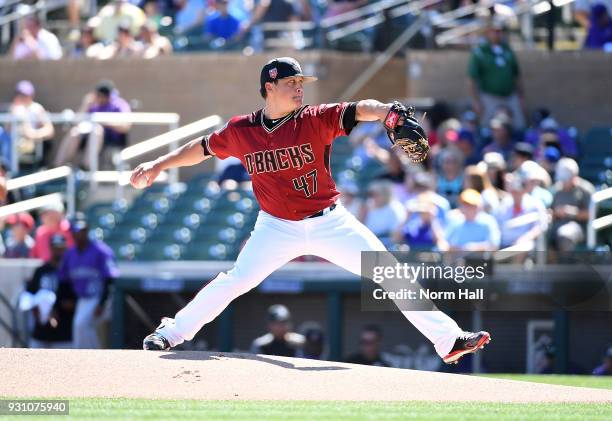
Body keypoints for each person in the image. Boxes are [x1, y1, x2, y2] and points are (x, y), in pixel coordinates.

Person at [133, 57, 491, 364]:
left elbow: (356, 109)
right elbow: (203, 147)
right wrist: (159, 165)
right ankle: (172, 332)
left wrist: (386, 112)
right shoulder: (242, 130)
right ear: (269, 86)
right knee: (236, 280)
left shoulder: (314, 118)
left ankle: (449, 341)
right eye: (292, 82)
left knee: (391, 274)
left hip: (330, 222)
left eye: (301, 82)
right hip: (275, 226)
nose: (299, 88)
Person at [59, 214, 118, 349]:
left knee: (81, 325)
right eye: (74, 231)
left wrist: (102, 303)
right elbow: (63, 280)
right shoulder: (70, 254)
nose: (77, 234)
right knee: (80, 327)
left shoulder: (101, 251)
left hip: (101, 297)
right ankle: (91, 359)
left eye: (80, 230)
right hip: (83, 300)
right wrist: (67, 299)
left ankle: (88, 358)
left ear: (86, 231)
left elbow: (110, 279)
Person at [54, 80, 131, 170]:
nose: (99, 97)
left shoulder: (119, 104)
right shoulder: (93, 103)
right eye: (97, 95)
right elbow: (76, 122)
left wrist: (104, 122)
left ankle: (85, 167)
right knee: (74, 132)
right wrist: (85, 104)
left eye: (101, 96)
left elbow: (126, 126)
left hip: (110, 139)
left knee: (96, 130)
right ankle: (57, 166)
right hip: (87, 137)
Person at [468, 19, 525, 130]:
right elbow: (472, 78)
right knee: (487, 127)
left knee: (519, 125)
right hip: (489, 96)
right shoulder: (480, 52)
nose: (498, 34)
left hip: (510, 95)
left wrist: (521, 97)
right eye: (494, 31)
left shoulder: (507, 49)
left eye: (500, 31)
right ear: (487, 33)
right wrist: (475, 101)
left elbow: (516, 74)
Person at [25, 234, 76, 349]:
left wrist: (62, 306)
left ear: (65, 248)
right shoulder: (41, 270)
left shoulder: (70, 272)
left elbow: (75, 299)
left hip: (64, 332)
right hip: (41, 331)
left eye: (61, 248)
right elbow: (30, 294)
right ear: (50, 248)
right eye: (55, 247)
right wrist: (37, 309)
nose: (58, 251)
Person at [8, 81, 55, 170]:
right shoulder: (14, 108)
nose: (23, 98)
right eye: (21, 95)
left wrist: (34, 135)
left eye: (25, 95)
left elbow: (50, 130)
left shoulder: (37, 108)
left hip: (34, 144)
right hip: (15, 145)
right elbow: (7, 131)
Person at [494, 173, 548, 250]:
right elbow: (496, 225)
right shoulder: (504, 204)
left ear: (524, 190)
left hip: (524, 244)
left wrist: (525, 238)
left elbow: (540, 226)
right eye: (513, 191)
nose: (515, 194)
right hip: (503, 244)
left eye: (518, 191)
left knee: (522, 247)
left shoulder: (536, 204)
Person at [550, 158, 594, 251]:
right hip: (557, 224)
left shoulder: (586, 189)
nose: (563, 182)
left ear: (574, 176)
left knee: (565, 234)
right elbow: (551, 211)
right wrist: (555, 213)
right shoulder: (556, 190)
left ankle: (566, 264)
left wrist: (570, 212)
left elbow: (590, 214)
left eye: (566, 179)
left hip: (579, 227)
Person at [363, 180, 406, 247]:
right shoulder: (369, 206)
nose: (373, 198)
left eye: (376, 195)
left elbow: (397, 236)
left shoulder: (395, 208)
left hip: (388, 244)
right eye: (371, 195)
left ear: (385, 195)